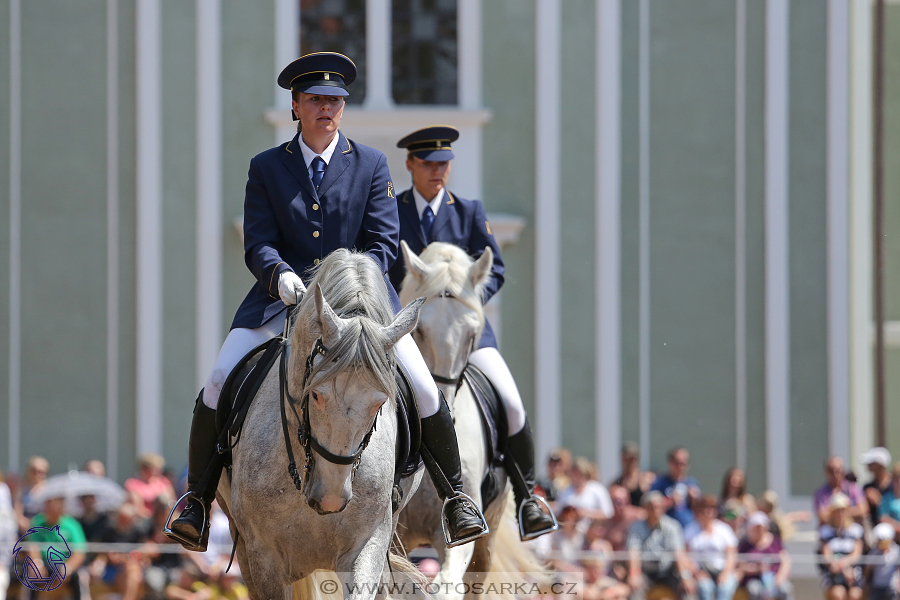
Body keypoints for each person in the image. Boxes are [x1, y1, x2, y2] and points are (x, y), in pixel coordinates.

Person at [166, 52, 487, 551]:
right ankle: (196, 500)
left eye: (335, 101)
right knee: (216, 380)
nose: (326, 108)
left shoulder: (371, 165)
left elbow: (382, 241)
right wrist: (282, 276)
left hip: (359, 308)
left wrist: (354, 288)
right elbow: (258, 242)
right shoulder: (268, 167)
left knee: (425, 390)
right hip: (280, 301)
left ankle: (455, 499)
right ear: (295, 105)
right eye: (315, 99)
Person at [389, 125, 556, 539]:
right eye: (428, 163)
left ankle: (527, 497)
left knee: (512, 404)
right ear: (410, 164)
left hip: (466, 336)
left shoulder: (468, 211)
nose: (437, 171)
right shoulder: (393, 213)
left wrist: (468, 295)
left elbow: (494, 267)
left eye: (444, 163)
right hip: (410, 335)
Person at [625, 491, 695, 600]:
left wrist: (685, 576)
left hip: (668, 571)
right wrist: (634, 573)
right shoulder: (635, 527)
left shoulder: (672, 526)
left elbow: (679, 553)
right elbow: (633, 552)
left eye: (658, 507)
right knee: (634, 589)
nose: (656, 510)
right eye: (652, 507)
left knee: (688, 589)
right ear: (645, 508)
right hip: (645, 572)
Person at [27, 495, 88, 599]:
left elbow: (79, 553)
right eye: (48, 503)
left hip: (65, 565)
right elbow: (32, 546)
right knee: (32, 575)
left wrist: (67, 569)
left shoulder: (72, 525)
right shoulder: (37, 522)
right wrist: (37, 563)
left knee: (79, 577)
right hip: (44, 565)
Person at [684, 495, 738, 600]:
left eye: (711, 509)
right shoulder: (689, 530)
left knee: (725, 589)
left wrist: (725, 573)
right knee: (705, 588)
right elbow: (686, 556)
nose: (708, 512)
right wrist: (696, 573)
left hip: (722, 570)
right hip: (700, 571)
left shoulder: (724, 529)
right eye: (704, 509)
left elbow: (732, 555)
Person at [818, 493, 864, 600]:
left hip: (853, 571)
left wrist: (846, 567)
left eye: (843, 510)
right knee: (838, 594)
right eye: (837, 510)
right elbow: (827, 555)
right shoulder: (825, 531)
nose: (840, 513)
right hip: (833, 572)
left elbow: (856, 554)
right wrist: (843, 568)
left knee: (855, 595)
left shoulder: (855, 530)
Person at [737, 512, 793, 600]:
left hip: (775, 577)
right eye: (756, 528)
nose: (759, 530)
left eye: (761, 527)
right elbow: (740, 565)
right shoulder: (745, 544)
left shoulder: (775, 541)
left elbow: (786, 561)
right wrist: (756, 569)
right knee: (755, 590)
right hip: (754, 579)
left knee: (785, 589)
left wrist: (780, 577)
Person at [651, 447, 702, 529]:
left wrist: (694, 500)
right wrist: (669, 501)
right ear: (669, 463)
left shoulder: (692, 483)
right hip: (666, 527)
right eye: (677, 463)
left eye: (683, 463)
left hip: (687, 526)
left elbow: (699, 510)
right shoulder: (660, 482)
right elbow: (650, 505)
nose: (680, 467)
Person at [814, 456, 867, 525]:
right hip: (830, 528)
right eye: (832, 471)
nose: (836, 475)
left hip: (851, 527)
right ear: (826, 472)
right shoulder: (821, 493)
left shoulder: (853, 487)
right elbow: (822, 516)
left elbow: (863, 510)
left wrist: (841, 513)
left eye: (838, 471)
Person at [125, 453, 175, 517]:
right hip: (141, 516)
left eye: (157, 468)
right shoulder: (133, 483)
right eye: (151, 468)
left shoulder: (163, 482)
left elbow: (171, 501)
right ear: (143, 469)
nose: (155, 471)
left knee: (164, 497)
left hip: (161, 515)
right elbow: (135, 504)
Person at [612, 441, 654, 507]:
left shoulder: (645, 479)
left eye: (633, 458)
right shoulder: (616, 483)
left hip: (642, 515)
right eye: (627, 459)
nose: (630, 462)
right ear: (622, 459)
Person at [865, 522, 899, 600]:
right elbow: (868, 569)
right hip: (876, 587)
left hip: (891, 587)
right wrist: (865, 584)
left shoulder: (897, 551)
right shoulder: (873, 551)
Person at [862, 448, 892, 525]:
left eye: (871, 463)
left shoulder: (894, 485)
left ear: (879, 465)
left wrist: (880, 502)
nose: (868, 465)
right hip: (872, 525)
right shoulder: (867, 487)